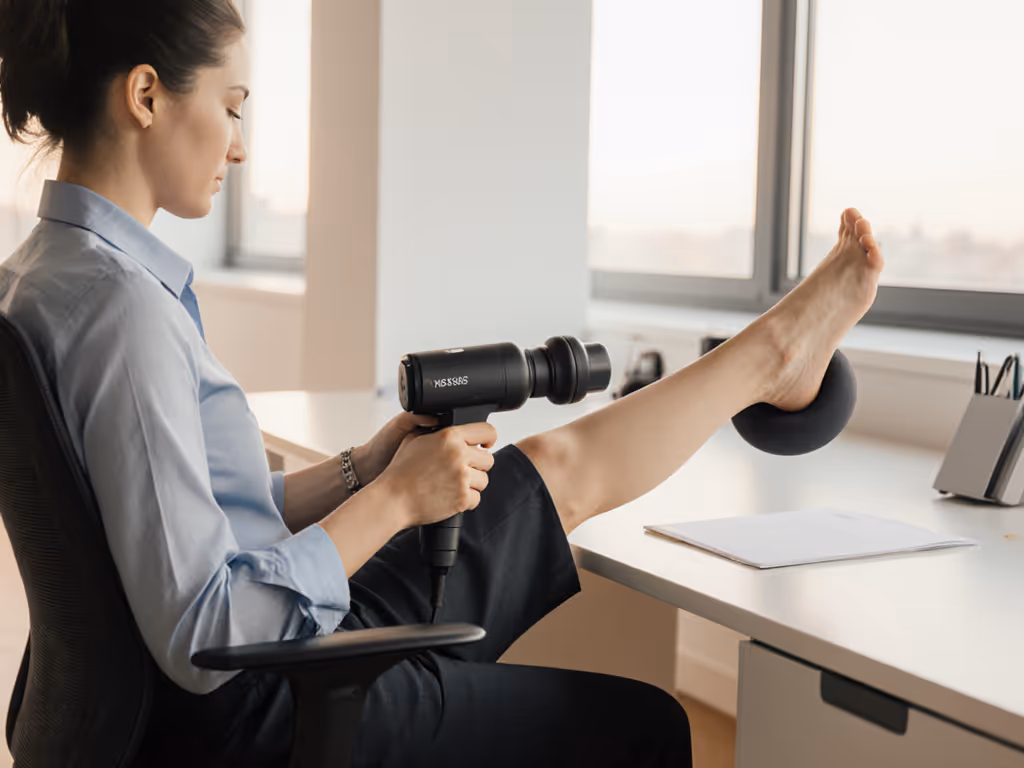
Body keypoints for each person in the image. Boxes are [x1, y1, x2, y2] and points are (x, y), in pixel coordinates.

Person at [0, 1, 884, 766]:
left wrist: (368, 471)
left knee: (555, 468)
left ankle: (770, 358)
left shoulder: (49, 275)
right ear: (147, 95)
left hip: (198, 683)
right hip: (249, 700)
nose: (238, 143)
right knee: (645, 725)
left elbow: (186, 517)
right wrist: (390, 508)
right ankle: (772, 359)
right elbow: (208, 631)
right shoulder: (123, 312)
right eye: (231, 108)